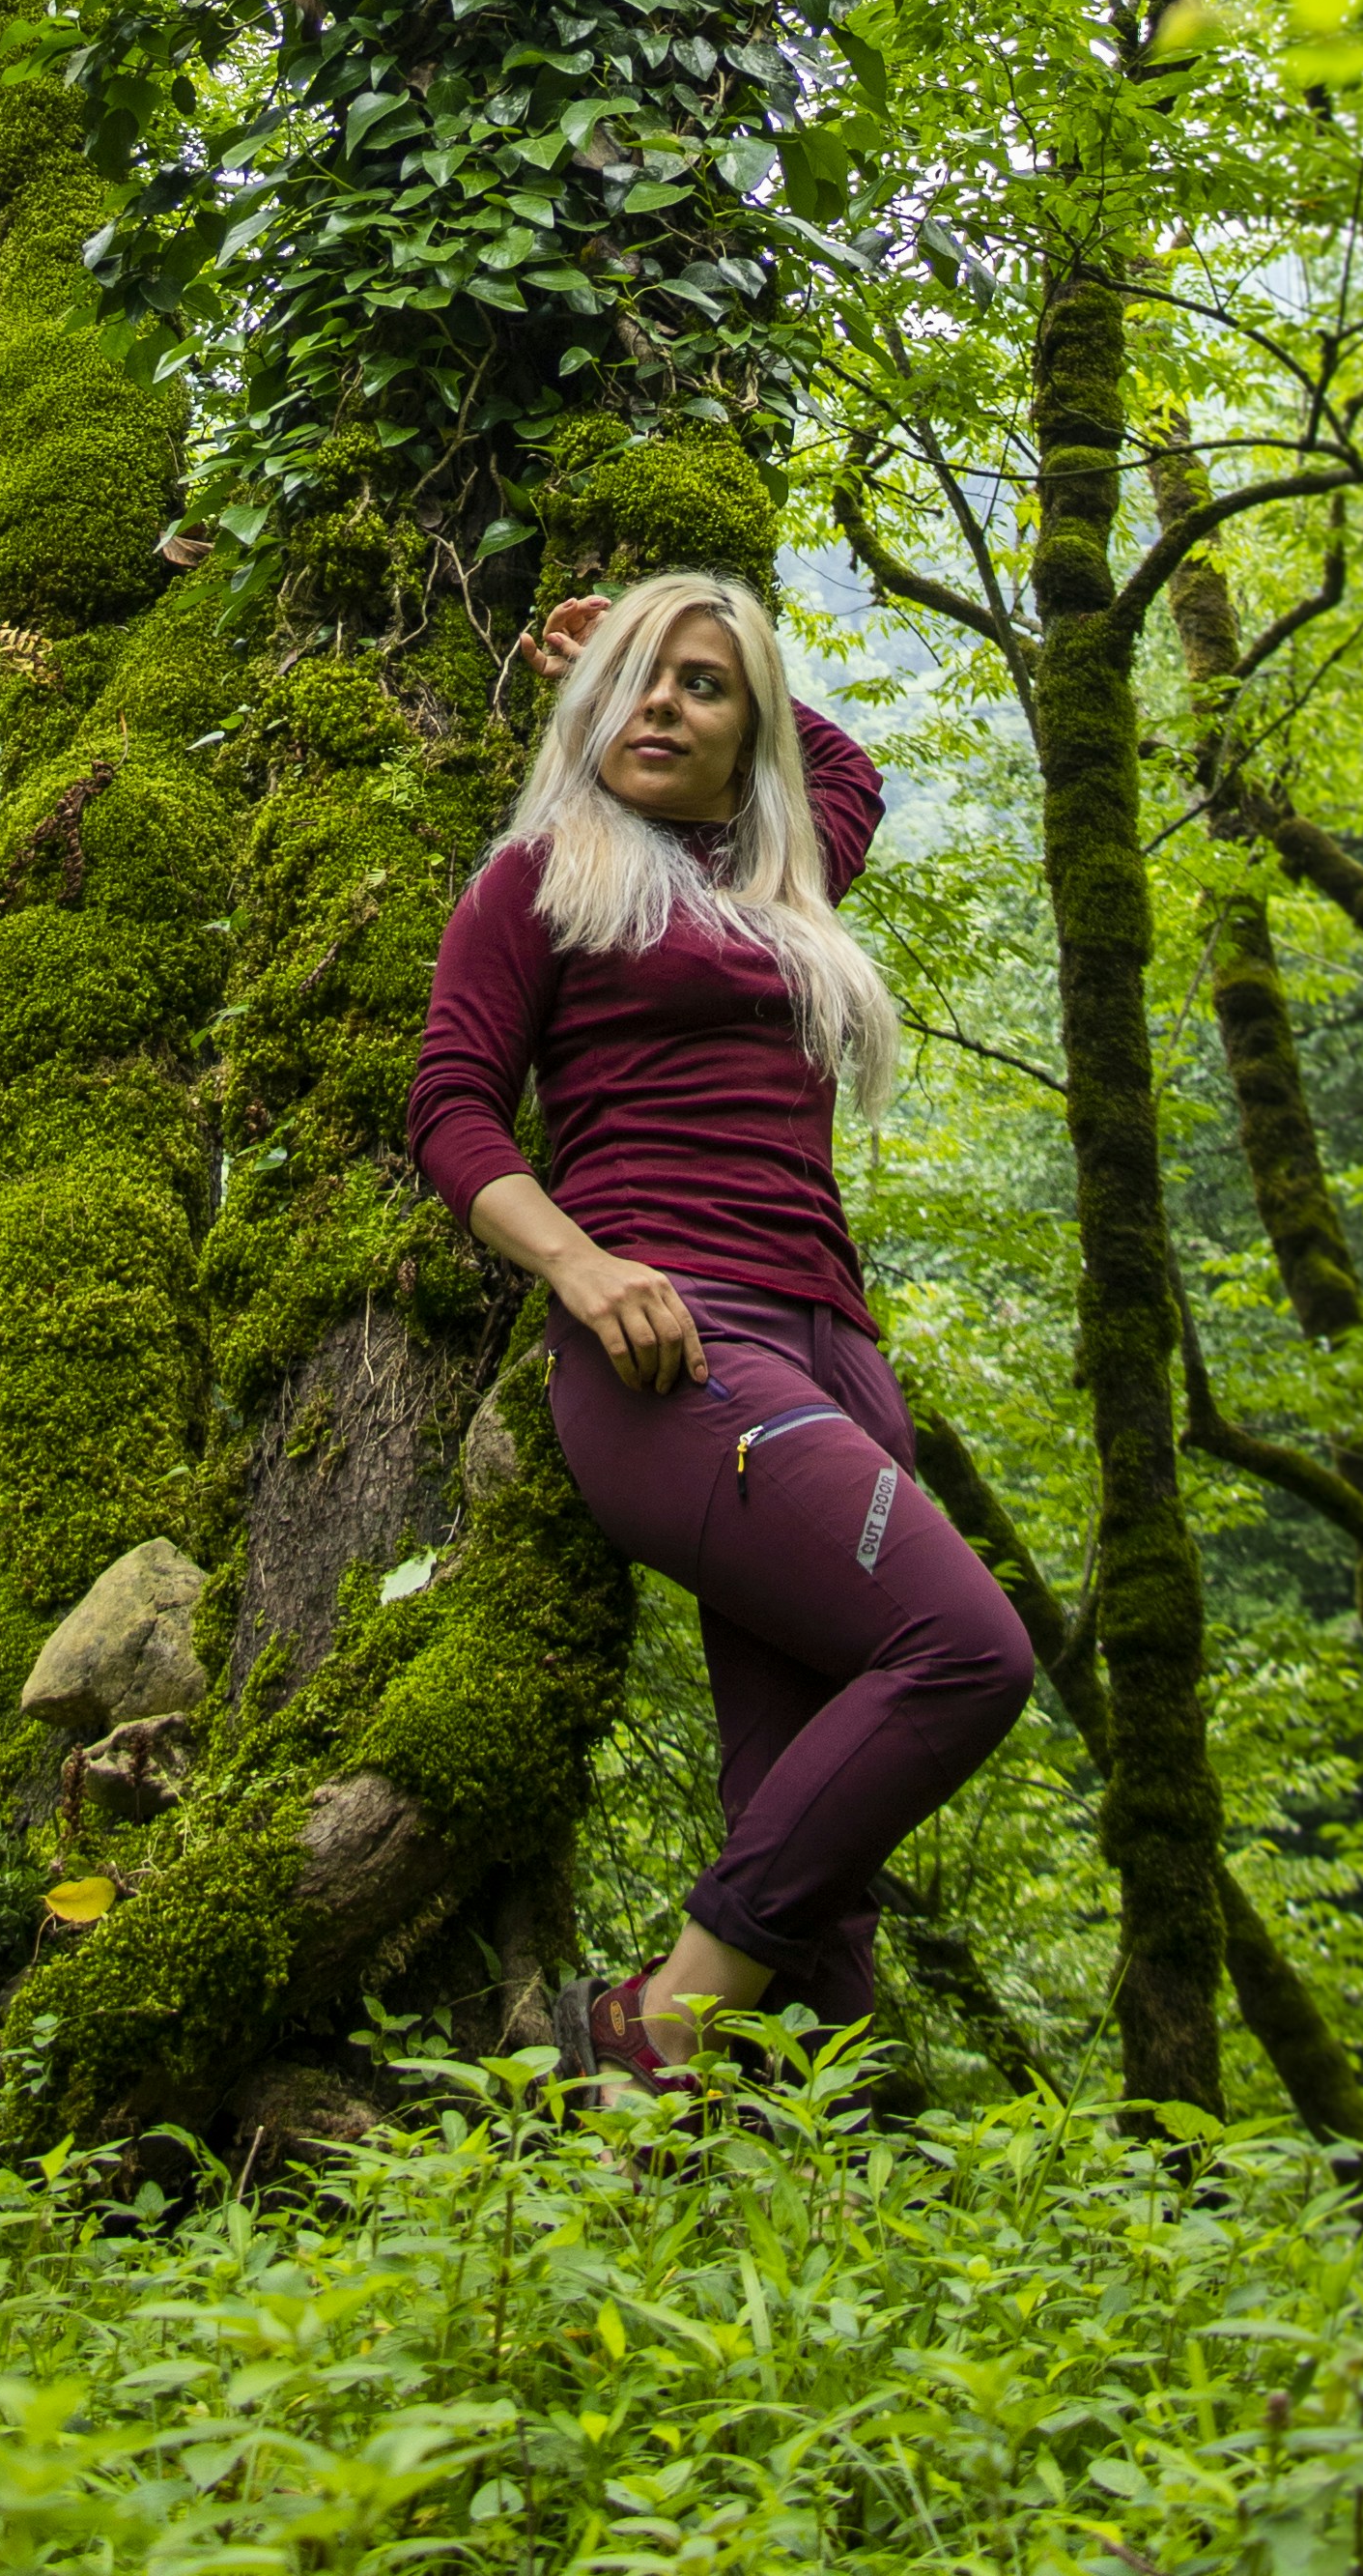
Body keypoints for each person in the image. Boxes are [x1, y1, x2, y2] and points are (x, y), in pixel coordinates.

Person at [406, 565, 1034, 2098]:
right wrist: (582, 1268)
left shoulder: (783, 885)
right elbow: (451, 1111)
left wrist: (674, 630)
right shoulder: (540, 874)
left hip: (836, 1353)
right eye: (630, 679)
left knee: (806, 1819)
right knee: (966, 1651)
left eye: (699, 685)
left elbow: (843, 770)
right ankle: (662, 2019)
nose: (657, 705)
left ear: (747, 723)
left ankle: (761, 2184)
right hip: (675, 1352)